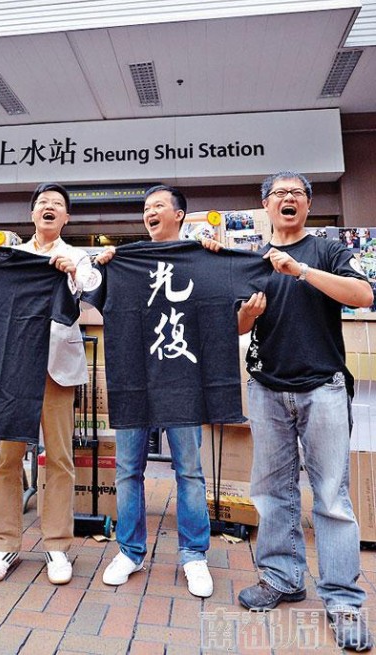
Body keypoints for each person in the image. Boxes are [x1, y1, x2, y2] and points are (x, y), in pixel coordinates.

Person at [98, 185, 263, 597]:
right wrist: (102, 265)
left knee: (189, 470)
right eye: (145, 208)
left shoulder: (203, 256)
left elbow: (239, 297)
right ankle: (130, 551)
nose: (149, 212)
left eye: (158, 206)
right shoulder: (126, 261)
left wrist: (219, 259)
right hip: (134, 380)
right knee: (127, 469)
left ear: (179, 215)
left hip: (183, 382)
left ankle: (194, 555)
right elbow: (85, 288)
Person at [237, 171, 373, 652]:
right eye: (279, 193)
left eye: (297, 193)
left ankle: (343, 601)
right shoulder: (253, 260)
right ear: (266, 205)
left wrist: (301, 271)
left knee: (331, 497)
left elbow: (364, 296)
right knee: (272, 492)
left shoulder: (328, 251)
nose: (288, 199)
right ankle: (281, 577)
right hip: (267, 388)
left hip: (324, 387)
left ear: (308, 205)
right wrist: (248, 315)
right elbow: (237, 325)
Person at [0, 183, 101, 585]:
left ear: (66, 217)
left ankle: (57, 545)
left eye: (57, 205)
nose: (49, 208)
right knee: (7, 458)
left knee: (60, 458)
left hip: (57, 367)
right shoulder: (15, 256)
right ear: (32, 213)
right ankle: (5, 544)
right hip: (14, 366)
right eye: (43, 203)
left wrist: (73, 273)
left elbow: (93, 291)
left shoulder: (77, 255)